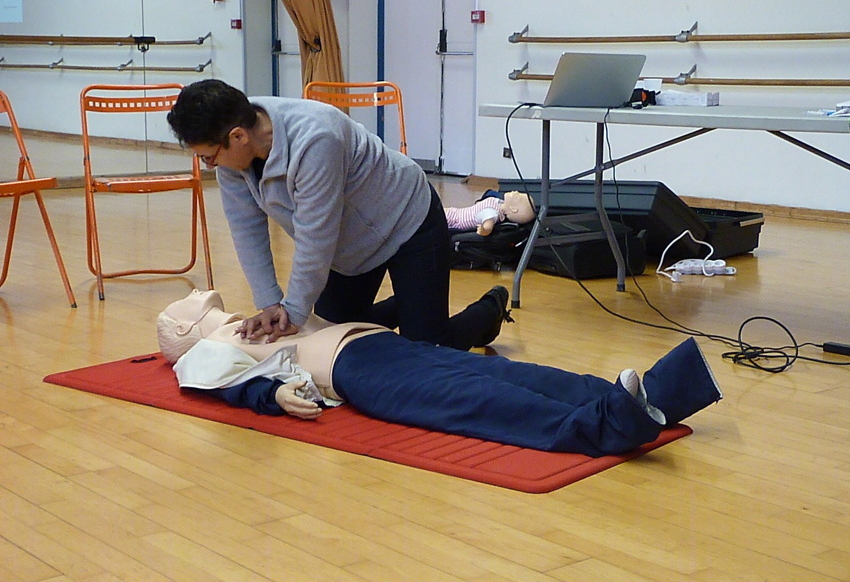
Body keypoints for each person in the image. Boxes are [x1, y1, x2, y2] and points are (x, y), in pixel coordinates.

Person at [155, 290, 723, 457]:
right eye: (206, 310)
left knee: (511, 376)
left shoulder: (257, 320)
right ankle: (607, 426)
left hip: (379, 345)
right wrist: (273, 396)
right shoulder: (202, 352)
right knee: (475, 397)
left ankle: (652, 396)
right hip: (353, 372)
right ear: (187, 332)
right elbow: (228, 386)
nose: (220, 309)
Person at [166, 79, 509, 351]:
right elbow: (246, 229)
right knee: (333, 340)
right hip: (350, 247)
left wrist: (293, 312)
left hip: (408, 222)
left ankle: (490, 309)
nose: (208, 165)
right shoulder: (231, 150)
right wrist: (270, 303)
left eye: (209, 157)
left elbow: (315, 237)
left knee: (428, 349)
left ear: (238, 136)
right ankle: (412, 301)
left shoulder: (316, 138)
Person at [445, 190, 536, 236]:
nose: (516, 192)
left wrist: (484, 230)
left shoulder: (492, 213)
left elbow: (488, 227)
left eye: (517, 196)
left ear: (513, 209)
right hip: (456, 212)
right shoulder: (499, 203)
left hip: (456, 219)